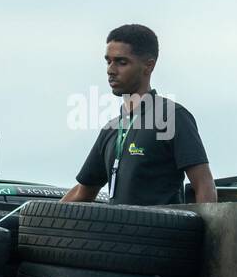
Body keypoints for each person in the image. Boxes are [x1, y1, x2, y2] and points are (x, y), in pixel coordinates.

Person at [63, 24, 216, 206]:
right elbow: (83, 191)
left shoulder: (172, 116)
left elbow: (204, 186)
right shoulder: (111, 129)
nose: (110, 70)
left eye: (121, 62)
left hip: (163, 233)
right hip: (118, 233)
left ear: (148, 66)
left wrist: (208, 234)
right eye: (108, 61)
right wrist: (36, 219)